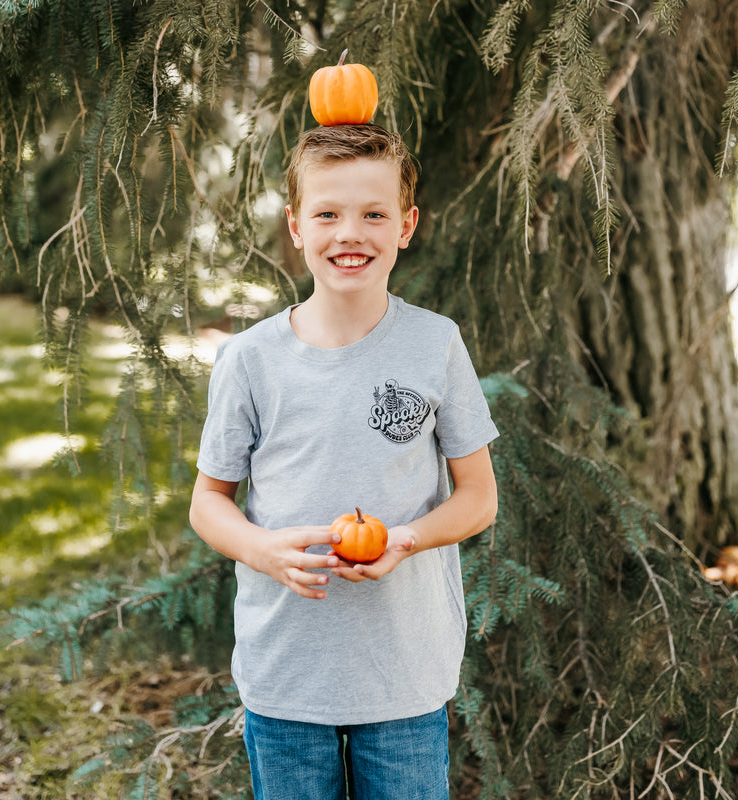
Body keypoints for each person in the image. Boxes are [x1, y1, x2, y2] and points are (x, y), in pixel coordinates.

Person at [189, 122, 499, 800]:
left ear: (407, 225)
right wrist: (262, 549)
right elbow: (208, 501)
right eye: (327, 213)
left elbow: (478, 494)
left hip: (405, 670)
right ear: (296, 226)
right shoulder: (250, 360)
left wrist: (408, 538)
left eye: (373, 214)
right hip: (286, 671)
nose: (349, 233)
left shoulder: (435, 344)